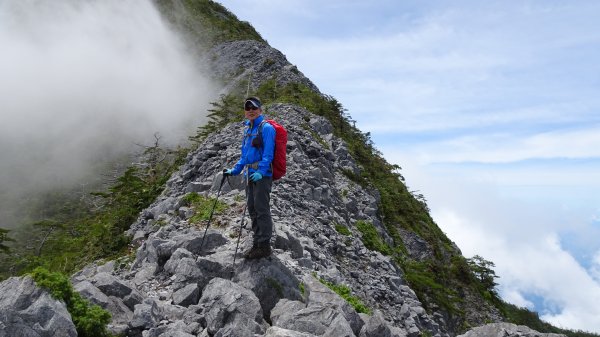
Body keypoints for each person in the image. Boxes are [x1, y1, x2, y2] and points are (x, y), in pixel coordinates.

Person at [224, 96, 275, 259]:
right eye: (248, 108)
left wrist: (261, 171)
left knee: (261, 209)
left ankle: (265, 246)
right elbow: (245, 155)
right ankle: (257, 242)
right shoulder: (247, 129)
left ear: (260, 110)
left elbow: (268, 153)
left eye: (254, 108)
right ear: (245, 112)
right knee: (252, 209)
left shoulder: (266, 128)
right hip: (249, 174)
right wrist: (235, 170)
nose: (251, 111)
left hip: (261, 175)